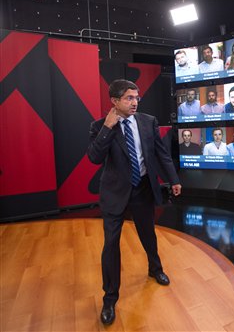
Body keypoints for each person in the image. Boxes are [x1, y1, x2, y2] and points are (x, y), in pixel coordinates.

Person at [87, 79, 182, 325]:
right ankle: (110, 298)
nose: (135, 102)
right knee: (110, 245)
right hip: (115, 193)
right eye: (129, 98)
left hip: (143, 189)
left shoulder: (148, 121)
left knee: (148, 234)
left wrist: (173, 180)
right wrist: (108, 128)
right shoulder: (99, 126)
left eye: (137, 97)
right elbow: (94, 158)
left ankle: (155, 268)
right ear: (115, 101)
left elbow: (161, 154)